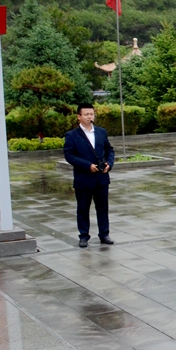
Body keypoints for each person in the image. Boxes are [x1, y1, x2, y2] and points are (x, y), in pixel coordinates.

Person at [63, 103, 116, 248]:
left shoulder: (101, 132)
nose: (89, 117)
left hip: (101, 178)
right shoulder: (72, 135)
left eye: (91, 114)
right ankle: (83, 236)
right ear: (79, 116)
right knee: (83, 208)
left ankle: (104, 234)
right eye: (86, 114)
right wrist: (87, 166)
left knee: (103, 208)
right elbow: (69, 155)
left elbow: (109, 150)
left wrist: (109, 164)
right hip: (83, 178)